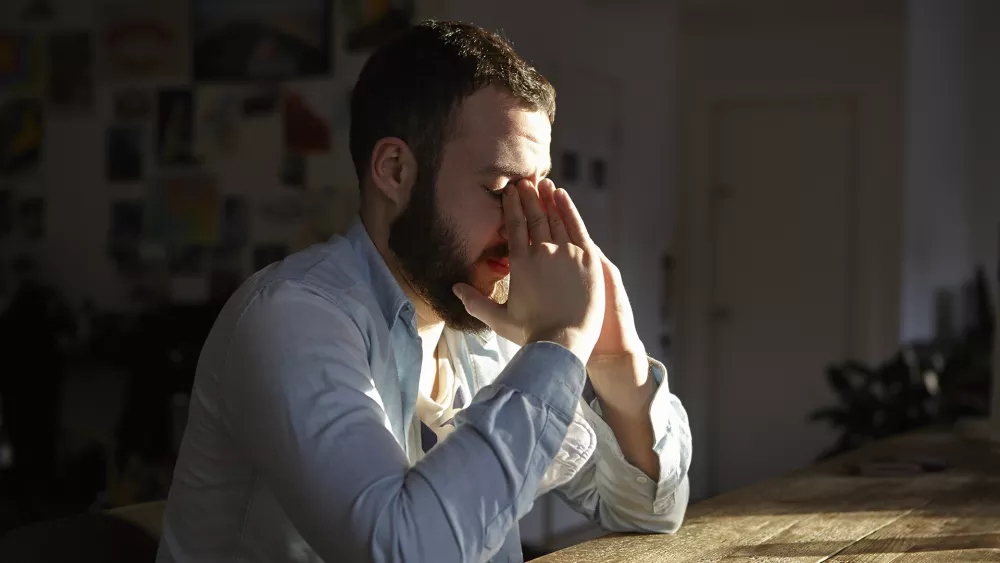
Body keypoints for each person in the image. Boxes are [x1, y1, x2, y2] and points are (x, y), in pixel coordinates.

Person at [157, 20, 690, 563]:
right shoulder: (289, 320)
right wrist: (557, 347)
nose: (525, 224)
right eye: (500, 189)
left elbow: (648, 510)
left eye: (537, 190)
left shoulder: (491, 330)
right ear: (395, 170)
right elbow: (404, 551)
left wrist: (615, 364)